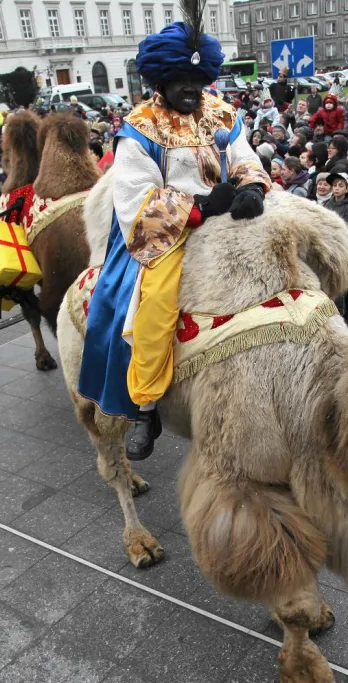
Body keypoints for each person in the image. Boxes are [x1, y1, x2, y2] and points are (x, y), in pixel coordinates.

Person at [76, 13, 270, 461]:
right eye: (180, 80)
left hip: (228, 216)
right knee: (156, 300)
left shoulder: (223, 113)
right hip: (168, 232)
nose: (190, 89)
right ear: (160, 81)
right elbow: (135, 200)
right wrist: (198, 208)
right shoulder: (139, 128)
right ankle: (146, 405)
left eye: (196, 80)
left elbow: (243, 157)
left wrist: (253, 189)